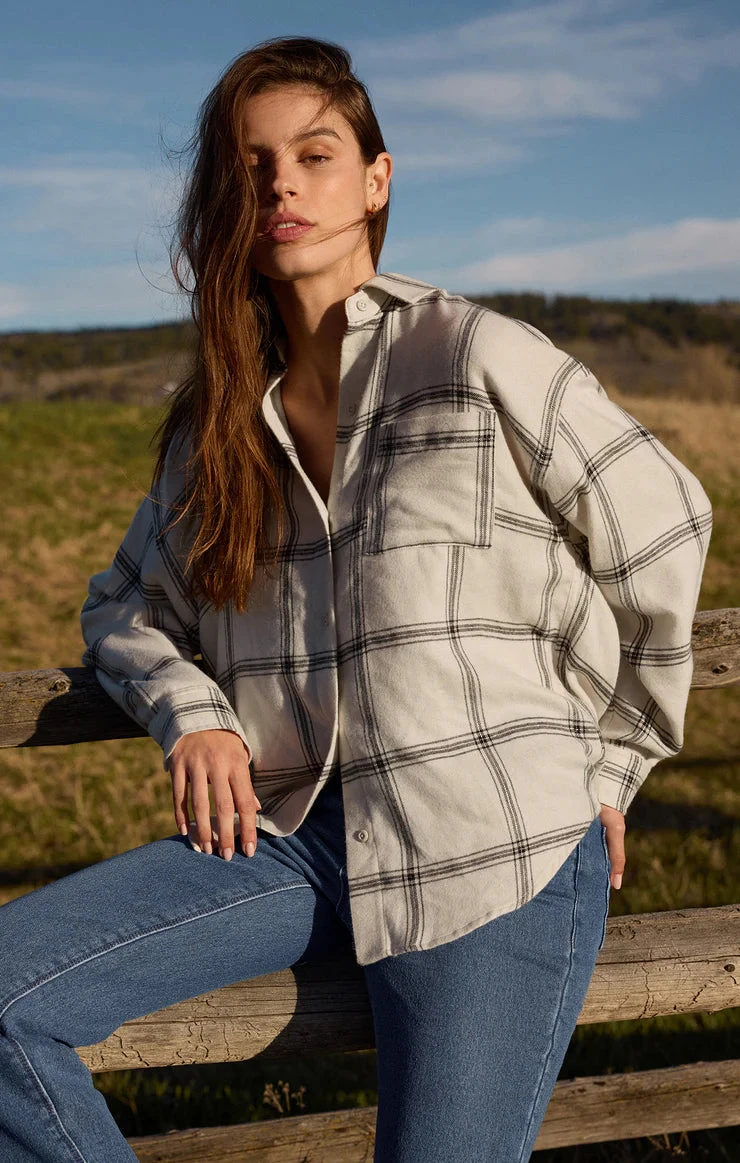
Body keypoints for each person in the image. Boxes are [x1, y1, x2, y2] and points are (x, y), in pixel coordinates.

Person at [0, 35, 712, 1163]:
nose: (281, 184)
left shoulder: (476, 355)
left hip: (490, 838)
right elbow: (125, 607)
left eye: (314, 154)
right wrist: (193, 714)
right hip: (291, 836)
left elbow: (665, 527)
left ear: (376, 180)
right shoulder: (216, 427)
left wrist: (614, 763)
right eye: (251, 166)